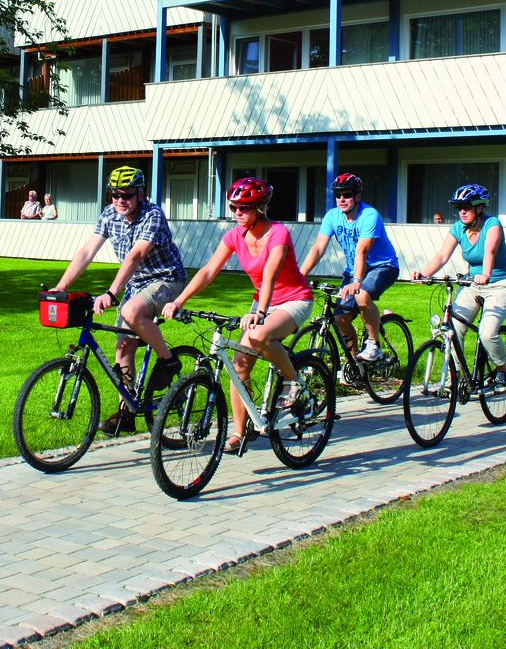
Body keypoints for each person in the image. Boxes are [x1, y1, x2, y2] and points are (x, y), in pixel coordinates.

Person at [161, 177, 314, 454]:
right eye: (234, 207)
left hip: (294, 300)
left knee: (259, 335)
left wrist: (261, 313)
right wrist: (179, 300)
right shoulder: (234, 236)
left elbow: (270, 274)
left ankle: (293, 381)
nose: (237, 213)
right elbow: (209, 271)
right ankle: (240, 432)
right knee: (239, 365)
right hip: (262, 304)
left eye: (244, 208)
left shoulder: (278, 234)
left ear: (259, 208)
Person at [50, 166, 187, 435]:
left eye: (126, 195)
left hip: (167, 279)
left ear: (141, 194)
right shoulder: (109, 215)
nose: (120, 200)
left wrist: (111, 293)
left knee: (132, 311)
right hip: (137, 284)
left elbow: (136, 256)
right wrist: (61, 286)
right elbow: (88, 250)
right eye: (114, 195)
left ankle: (168, 361)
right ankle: (127, 412)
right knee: (123, 346)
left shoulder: (153, 215)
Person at [412, 184, 506, 392]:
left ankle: (503, 369)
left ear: (479, 208)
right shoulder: (458, 228)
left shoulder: (492, 224)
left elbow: (490, 251)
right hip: (471, 284)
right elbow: (442, 255)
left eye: (466, 207)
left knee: (487, 333)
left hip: (499, 285)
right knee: (453, 330)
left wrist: (485, 274)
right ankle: (458, 377)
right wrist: (425, 274)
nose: (462, 211)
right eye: (459, 207)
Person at [299, 172, 400, 362]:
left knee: (361, 295)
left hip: (383, 266)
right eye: (338, 195)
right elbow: (319, 247)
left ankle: (373, 345)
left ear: (358, 196)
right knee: (341, 318)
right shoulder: (332, 216)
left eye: (347, 195)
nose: (342, 199)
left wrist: (357, 282)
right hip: (354, 270)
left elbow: (362, 250)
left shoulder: (369, 216)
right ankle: (355, 365)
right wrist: (301, 274)